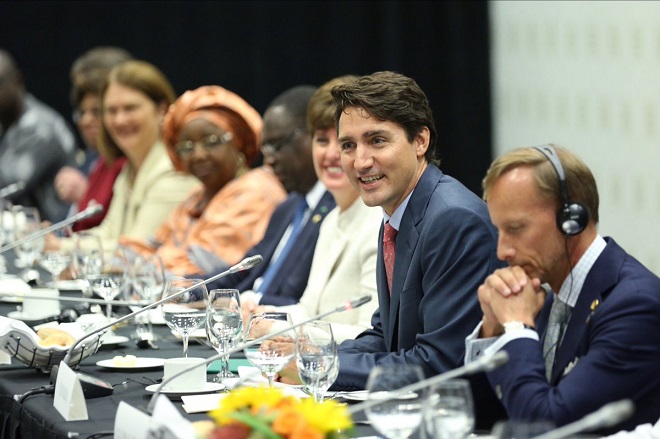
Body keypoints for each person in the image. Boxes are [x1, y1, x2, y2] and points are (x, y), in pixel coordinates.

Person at [277, 71, 502, 389]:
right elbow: (386, 335)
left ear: (420, 141)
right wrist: (310, 356)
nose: (360, 161)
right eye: (348, 145)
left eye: (377, 141)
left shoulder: (452, 220)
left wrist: (320, 366)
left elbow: (437, 364)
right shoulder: (399, 212)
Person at [464, 145, 660, 434]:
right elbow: (481, 417)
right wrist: (493, 331)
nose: (502, 251)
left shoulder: (635, 306)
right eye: (499, 230)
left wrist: (517, 326)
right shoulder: (548, 293)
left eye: (516, 229)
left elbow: (547, 428)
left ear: (572, 218)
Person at [251, 76, 381, 342]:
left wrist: (276, 328)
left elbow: (369, 336)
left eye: (345, 144)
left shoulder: (380, 222)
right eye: (322, 141)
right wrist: (261, 314)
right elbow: (309, 311)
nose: (332, 154)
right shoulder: (331, 220)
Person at [120, 85, 287, 276]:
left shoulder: (255, 190)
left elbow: (197, 273)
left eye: (212, 142)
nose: (198, 155)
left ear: (238, 142)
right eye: (187, 146)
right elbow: (144, 248)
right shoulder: (197, 196)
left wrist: (143, 266)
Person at [46, 60, 199, 252]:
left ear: (161, 109)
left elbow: (137, 251)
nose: (119, 120)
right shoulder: (130, 168)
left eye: (130, 108)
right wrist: (55, 244)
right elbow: (108, 234)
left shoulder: (173, 170)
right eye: (111, 111)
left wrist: (61, 248)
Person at [205, 85, 336, 307]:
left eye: (278, 145)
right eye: (266, 149)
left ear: (314, 135)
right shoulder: (288, 207)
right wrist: (189, 289)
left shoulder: (336, 208)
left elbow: (301, 301)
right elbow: (242, 272)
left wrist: (244, 301)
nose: (269, 160)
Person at [55, 46, 132, 231]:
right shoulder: (95, 155)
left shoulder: (129, 161)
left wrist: (85, 196)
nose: (86, 121)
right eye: (82, 112)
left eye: (97, 112)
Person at [0, 49, 77, 222]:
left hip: (55, 234)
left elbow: (9, 186)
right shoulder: (4, 122)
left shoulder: (42, 127)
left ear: (17, 81)